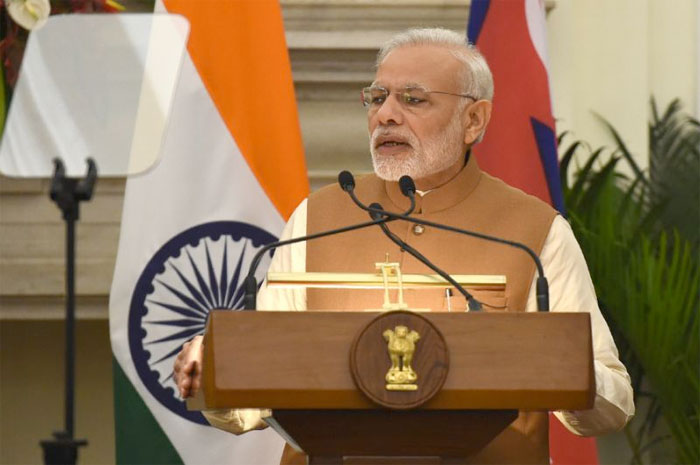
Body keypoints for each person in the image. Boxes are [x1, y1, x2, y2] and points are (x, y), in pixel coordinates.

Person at [174, 27, 634, 464]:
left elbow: (612, 403)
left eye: (412, 99)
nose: (385, 114)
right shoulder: (319, 218)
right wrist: (214, 372)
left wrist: (556, 368)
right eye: (377, 97)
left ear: (474, 120)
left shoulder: (534, 230)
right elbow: (256, 396)